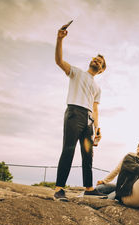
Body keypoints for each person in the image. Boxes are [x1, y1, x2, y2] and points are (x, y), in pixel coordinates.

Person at [53, 22, 107, 201]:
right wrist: (59, 39)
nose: (96, 61)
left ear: (101, 69)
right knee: (68, 149)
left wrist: (97, 128)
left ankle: (89, 188)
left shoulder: (97, 87)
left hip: (89, 120)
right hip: (74, 113)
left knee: (87, 155)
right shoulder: (76, 73)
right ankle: (59, 189)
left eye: (99, 62)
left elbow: (96, 108)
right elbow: (59, 61)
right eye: (95, 59)